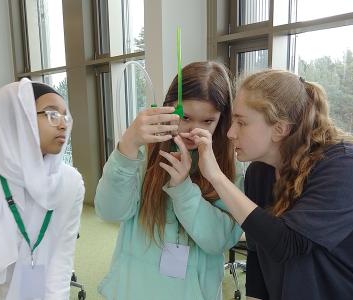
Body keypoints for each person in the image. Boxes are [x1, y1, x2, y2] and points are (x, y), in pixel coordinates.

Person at [186, 69, 353, 300]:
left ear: (279, 128)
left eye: (241, 122)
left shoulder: (344, 164)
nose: (230, 133)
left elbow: (287, 244)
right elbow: (258, 248)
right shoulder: (259, 172)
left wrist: (216, 177)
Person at [95, 61, 243, 300]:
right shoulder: (145, 152)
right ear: (168, 108)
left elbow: (219, 240)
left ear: (221, 119)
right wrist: (128, 146)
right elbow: (110, 212)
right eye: (185, 117)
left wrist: (184, 188)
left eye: (207, 121)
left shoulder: (231, 167)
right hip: (134, 289)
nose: (193, 130)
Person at [0, 78, 85, 299]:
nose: (63, 124)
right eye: (51, 114)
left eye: (65, 115)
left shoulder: (69, 182)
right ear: (21, 118)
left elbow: (61, 260)